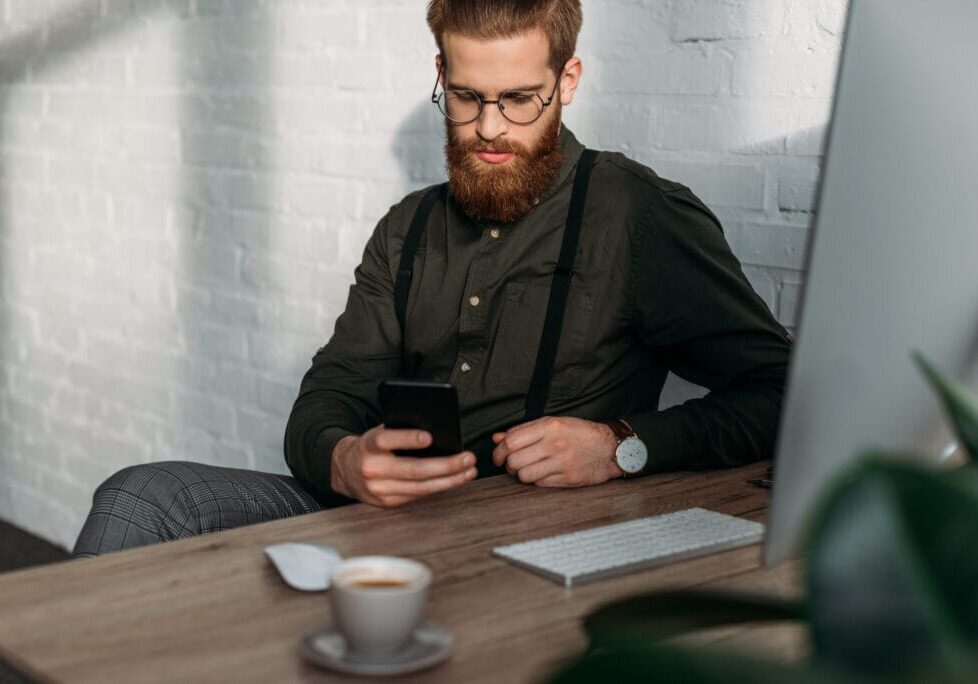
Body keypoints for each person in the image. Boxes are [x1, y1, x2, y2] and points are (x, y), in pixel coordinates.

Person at [73, 0, 791, 557]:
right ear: (442, 76)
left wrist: (622, 446)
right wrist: (346, 458)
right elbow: (326, 397)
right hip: (386, 522)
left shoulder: (637, 215)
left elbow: (783, 392)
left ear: (566, 82)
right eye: (467, 96)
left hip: (526, 541)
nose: (488, 128)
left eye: (519, 99)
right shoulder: (407, 227)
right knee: (140, 499)